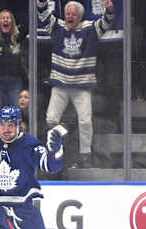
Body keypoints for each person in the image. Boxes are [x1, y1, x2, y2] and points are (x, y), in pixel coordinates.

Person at [37, 0, 115, 168]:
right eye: (67, 14)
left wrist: (109, 10)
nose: (69, 17)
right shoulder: (57, 26)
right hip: (60, 83)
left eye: (73, 14)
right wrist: (42, 3)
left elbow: (106, 22)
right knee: (51, 119)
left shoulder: (90, 29)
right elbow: (43, 15)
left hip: (82, 85)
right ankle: (61, 142)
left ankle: (85, 154)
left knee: (85, 121)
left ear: (80, 16)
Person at [0, 9, 28, 111]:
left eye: (8, 18)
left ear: (12, 22)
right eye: (3, 18)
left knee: (15, 112)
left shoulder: (18, 36)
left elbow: (28, 23)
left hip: (15, 80)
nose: (5, 20)